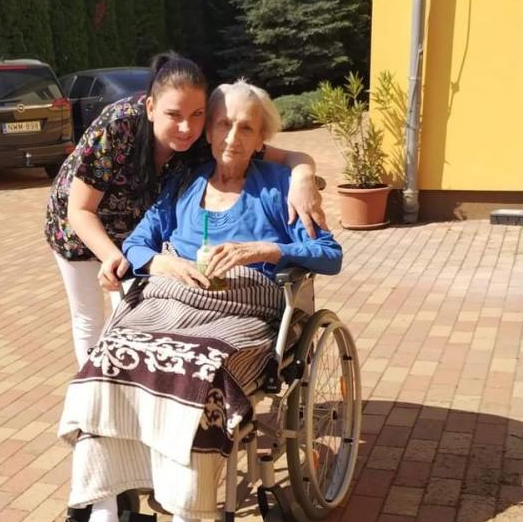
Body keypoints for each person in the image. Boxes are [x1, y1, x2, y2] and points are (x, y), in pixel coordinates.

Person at [59, 80, 343, 522]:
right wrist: (163, 262)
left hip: (242, 309)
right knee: (109, 355)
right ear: (209, 132)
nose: (232, 137)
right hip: (171, 298)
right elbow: (139, 242)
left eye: (246, 127)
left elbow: (330, 254)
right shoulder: (184, 183)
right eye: (223, 124)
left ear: (261, 138)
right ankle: (103, 510)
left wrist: (267, 250)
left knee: (197, 372)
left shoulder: (279, 187)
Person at [45, 53, 327, 367]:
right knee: (91, 317)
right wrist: (114, 257)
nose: (186, 127)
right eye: (174, 114)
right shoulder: (118, 127)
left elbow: (287, 156)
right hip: (82, 225)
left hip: (138, 231)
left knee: (126, 315)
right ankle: (98, 382)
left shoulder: (207, 137)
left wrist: (303, 178)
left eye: (197, 114)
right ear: (151, 108)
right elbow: (81, 209)